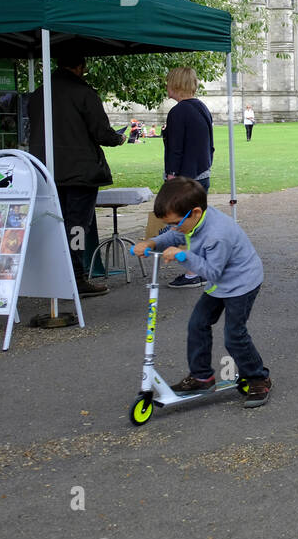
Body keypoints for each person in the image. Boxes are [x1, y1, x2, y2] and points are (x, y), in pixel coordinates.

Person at [132, 177, 272, 407]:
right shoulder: (192, 220)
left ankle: (258, 377)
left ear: (195, 212)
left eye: (177, 222)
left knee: (234, 335)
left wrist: (183, 255)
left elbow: (211, 272)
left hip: (241, 282)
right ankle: (201, 377)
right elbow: (174, 234)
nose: (175, 227)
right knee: (197, 324)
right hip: (221, 283)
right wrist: (152, 243)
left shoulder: (218, 234)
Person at [27, 51, 125, 297]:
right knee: (77, 226)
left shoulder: (39, 93)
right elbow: (101, 132)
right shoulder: (84, 93)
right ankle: (76, 274)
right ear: (80, 66)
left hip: (47, 169)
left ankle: (55, 272)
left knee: (53, 223)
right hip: (79, 171)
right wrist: (119, 138)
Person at [162, 66, 215, 287]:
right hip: (202, 173)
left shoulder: (178, 112)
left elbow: (175, 148)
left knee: (185, 226)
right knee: (197, 223)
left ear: (176, 85)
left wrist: (171, 177)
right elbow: (210, 145)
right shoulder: (202, 108)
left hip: (186, 177)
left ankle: (193, 273)